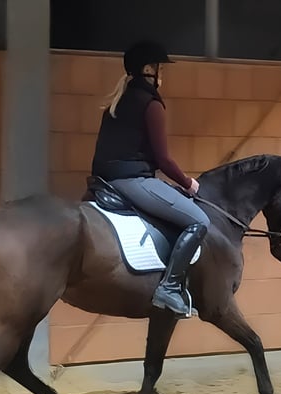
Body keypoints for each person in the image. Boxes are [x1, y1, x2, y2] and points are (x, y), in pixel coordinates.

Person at [90, 40, 210, 318]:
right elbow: (163, 159)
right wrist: (188, 183)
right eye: (159, 69)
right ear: (148, 70)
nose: (162, 75)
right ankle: (169, 288)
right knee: (199, 220)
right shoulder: (150, 103)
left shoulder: (118, 101)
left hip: (106, 181)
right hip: (134, 181)